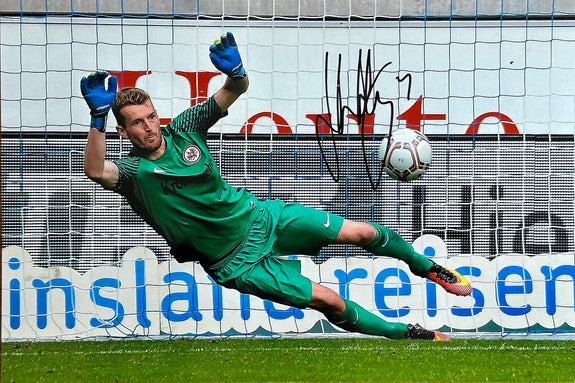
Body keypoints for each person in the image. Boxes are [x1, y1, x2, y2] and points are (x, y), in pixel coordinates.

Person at [81, 32, 471, 341]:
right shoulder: (133, 174)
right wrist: (96, 119)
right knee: (329, 301)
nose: (148, 127)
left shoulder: (185, 128)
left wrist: (235, 73)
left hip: (261, 217)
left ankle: (427, 267)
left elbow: (235, 88)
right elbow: (97, 171)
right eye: (137, 123)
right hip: (235, 262)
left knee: (364, 231)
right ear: (123, 130)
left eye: (150, 117)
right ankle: (409, 334)